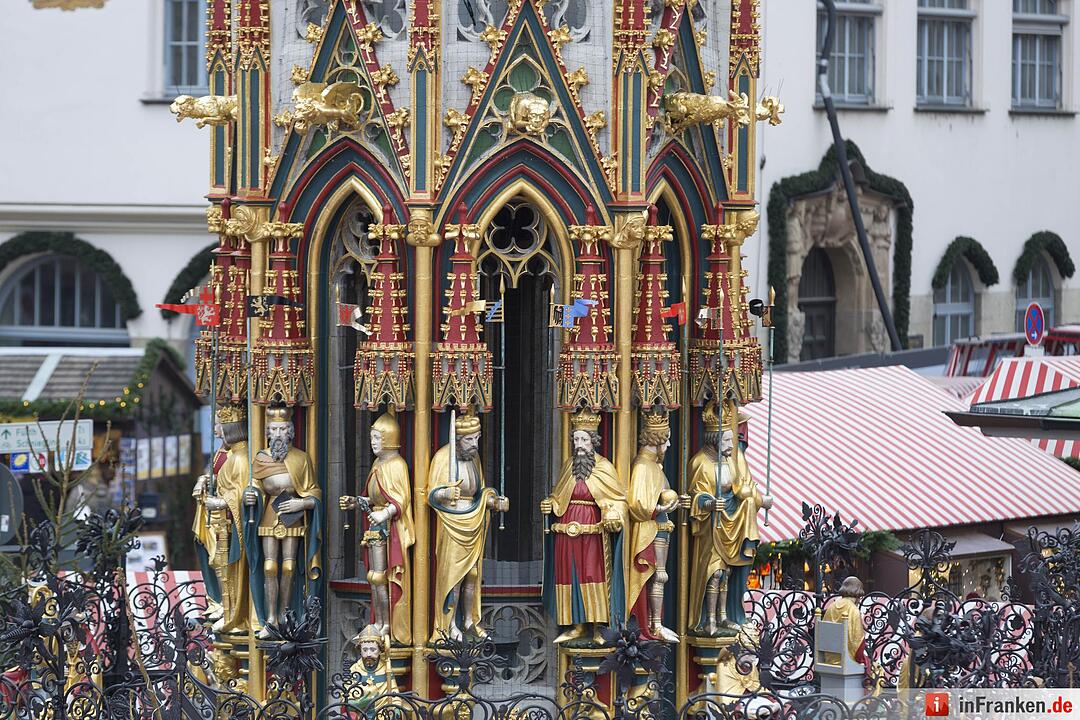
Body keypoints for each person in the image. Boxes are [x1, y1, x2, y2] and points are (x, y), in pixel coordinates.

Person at [540, 408, 627, 645]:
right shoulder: (569, 466)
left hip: (593, 531)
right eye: (576, 439)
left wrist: (612, 513)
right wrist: (551, 504)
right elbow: (560, 495)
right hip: (567, 530)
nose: (579, 444)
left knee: (592, 574)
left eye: (584, 440)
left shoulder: (604, 467)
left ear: (594, 442)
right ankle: (576, 625)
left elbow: (618, 499)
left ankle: (599, 625)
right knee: (570, 574)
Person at [687, 399, 772, 634]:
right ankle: (709, 619)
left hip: (730, 524)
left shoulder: (731, 462)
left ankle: (723, 616)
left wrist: (754, 498)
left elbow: (741, 486)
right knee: (713, 574)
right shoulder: (700, 463)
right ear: (715, 440)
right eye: (727, 440)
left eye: (732, 439)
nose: (731, 444)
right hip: (711, 527)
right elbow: (696, 496)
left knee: (724, 574)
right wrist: (709, 502)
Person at [428, 409, 508, 641]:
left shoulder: (474, 459)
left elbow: (479, 492)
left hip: (473, 522)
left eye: (477, 438)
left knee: (472, 574)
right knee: (454, 577)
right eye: (469, 439)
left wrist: (493, 501)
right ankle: (449, 624)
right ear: (458, 440)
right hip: (452, 523)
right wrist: (445, 492)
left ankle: (470, 621)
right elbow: (430, 495)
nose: (474, 444)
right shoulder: (444, 457)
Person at [243, 406, 323, 637]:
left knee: (288, 566)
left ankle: (285, 614)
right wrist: (250, 495)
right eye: (274, 429)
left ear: (290, 432)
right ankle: (270, 618)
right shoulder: (260, 458)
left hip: (292, 515)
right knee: (270, 566)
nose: (278, 434)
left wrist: (303, 503)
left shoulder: (300, 458)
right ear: (268, 432)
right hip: (269, 513)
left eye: (283, 429)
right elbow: (255, 486)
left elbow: (313, 491)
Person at [340, 411, 414, 645]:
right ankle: (379, 621)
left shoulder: (397, 464)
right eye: (372, 438)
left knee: (382, 576)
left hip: (390, 530)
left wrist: (386, 512)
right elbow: (375, 495)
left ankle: (388, 624)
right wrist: (356, 501)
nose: (373, 443)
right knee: (374, 577)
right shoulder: (378, 463)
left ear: (390, 439)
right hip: (375, 529)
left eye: (377, 438)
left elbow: (402, 499)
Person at [193, 405, 250, 634]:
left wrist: (222, 502)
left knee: (223, 561)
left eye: (219, 426)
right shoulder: (224, 452)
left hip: (228, 518)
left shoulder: (240, 457)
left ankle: (230, 608)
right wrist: (203, 481)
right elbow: (216, 475)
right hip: (217, 517)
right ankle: (218, 602)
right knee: (214, 559)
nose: (216, 431)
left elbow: (242, 489)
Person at [626, 410, 681, 642]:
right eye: (665, 439)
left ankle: (655, 623)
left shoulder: (654, 467)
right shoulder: (643, 467)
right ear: (656, 440)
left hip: (660, 528)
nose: (668, 444)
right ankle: (653, 626)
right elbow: (637, 503)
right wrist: (660, 509)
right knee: (657, 576)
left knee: (660, 576)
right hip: (651, 530)